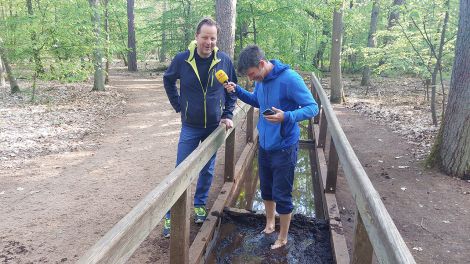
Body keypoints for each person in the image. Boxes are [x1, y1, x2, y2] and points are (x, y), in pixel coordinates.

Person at [223, 45, 318, 249]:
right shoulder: (261, 81)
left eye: (252, 75)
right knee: (266, 189)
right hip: (265, 144)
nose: (251, 80)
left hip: (284, 146)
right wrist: (237, 90)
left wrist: (288, 116)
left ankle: (283, 238)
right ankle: (269, 225)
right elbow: (257, 101)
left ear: (261, 64)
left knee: (282, 193)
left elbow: (313, 107)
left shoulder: (290, 79)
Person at [162, 17, 237, 238]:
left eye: (212, 38)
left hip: (214, 126)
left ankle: (200, 205)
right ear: (196, 37)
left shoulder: (224, 60)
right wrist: (178, 106)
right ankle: (169, 216)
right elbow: (168, 80)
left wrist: (227, 114)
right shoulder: (182, 59)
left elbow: (232, 89)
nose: (208, 42)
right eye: (205, 37)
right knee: (180, 171)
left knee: (208, 168)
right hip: (191, 126)